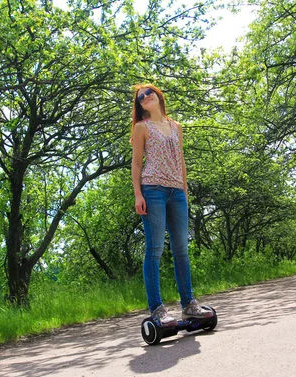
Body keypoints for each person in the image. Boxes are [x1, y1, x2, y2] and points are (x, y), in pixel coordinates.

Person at [131, 83, 213, 327]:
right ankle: (157, 309)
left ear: (158, 95)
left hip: (177, 192)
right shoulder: (140, 128)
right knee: (154, 249)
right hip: (152, 190)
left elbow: (181, 162)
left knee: (181, 250)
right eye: (141, 97)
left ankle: (189, 305)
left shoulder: (176, 126)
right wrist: (138, 194)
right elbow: (136, 164)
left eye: (149, 93)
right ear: (139, 105)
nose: (146, 97)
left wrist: (184, 193)